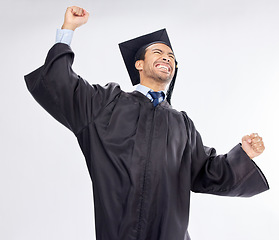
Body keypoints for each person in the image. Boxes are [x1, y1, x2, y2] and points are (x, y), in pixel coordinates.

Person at [24, 6, 269, 240]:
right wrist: (68, 29)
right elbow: (61, 85)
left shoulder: (181, 124)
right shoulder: (106, 104)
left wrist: (242, 155)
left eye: (171, 56)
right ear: (139, 64)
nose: (167, 58)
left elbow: (205, 170)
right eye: (158, 53)